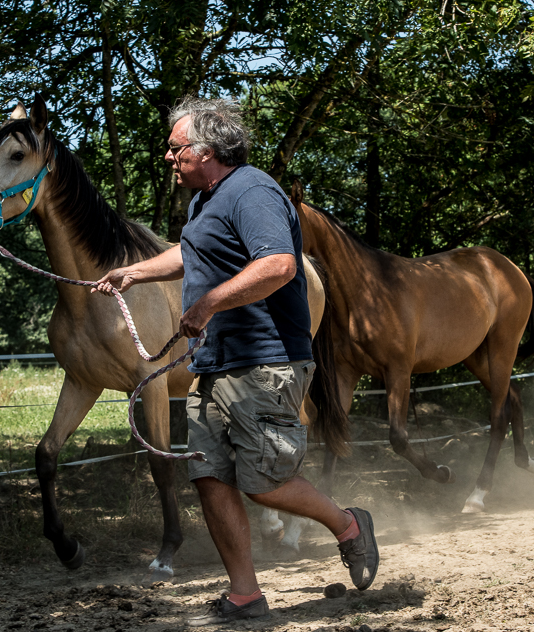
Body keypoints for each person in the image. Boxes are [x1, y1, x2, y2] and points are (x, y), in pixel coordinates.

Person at [94, 97, 379, 626]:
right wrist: (135, 272)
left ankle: (348, 525)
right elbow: (191, 251)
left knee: (262, 479)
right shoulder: (207, 199)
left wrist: (207, 303)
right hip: (215, 361)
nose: (167, 157)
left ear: (206, 151)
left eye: (175, 148)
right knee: (209, 476)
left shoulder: (253, 191)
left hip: (264, 360)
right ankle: (246, 594)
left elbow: (278, 264)